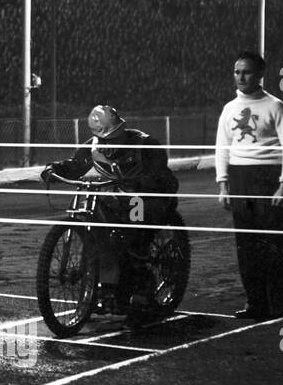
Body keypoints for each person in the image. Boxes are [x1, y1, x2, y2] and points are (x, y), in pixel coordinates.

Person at [42, 104, 180, 313]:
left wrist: (141, 184)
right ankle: (106, 287)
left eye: (112, 137)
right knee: (101, 232)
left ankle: (143, 280)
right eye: (103, 139)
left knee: (137, 225)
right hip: (114, 201)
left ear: (121, 130)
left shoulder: (145, 145)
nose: (107, 144)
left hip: (143, 201)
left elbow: (162, 177)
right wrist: (55, 168)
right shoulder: (92, 147)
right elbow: (75, 164)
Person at [215, 51, 283, 320]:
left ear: (259, 75)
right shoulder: (229, 109)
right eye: (237, 72)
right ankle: (256, 303)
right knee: (246, 245)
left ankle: (278, 304)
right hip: (239, 179)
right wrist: (223, 184)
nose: (240, 77)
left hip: (268, 178)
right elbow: (222, 149)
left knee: (272, 244)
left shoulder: (276, 106)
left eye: (246, 72)